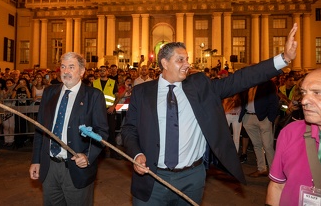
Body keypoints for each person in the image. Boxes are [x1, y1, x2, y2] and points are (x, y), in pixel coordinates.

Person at [121, 23, 298, 205]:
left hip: (191, 179)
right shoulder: (142, 92)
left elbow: (241, 78)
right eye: (180, 60)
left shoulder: (200, 86)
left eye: (187, 59)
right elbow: (129, 129)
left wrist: (283, 58)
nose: (187, 64)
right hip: (152, 177)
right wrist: (136, 154)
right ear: (164, 63)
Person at [29, 52, 109, 206]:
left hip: (76, 168)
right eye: (63, 67)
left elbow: (102, 132)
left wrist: (87, 156)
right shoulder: (49, 92)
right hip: (49, 167)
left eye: (71, 67)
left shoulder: (93, 96)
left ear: (82, 71)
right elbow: (40, 128)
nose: (66, 71)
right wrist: (36, 160)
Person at [266, 68, 321, 206]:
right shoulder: (290, 133)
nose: (304, 101)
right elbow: (277, 186)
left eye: (317, 93)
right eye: (304, 93)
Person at [239, 79, 278, 177]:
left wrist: (270, 118)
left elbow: (274, 101)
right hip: (248, 117)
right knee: (256, 144)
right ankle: (261, 169)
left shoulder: (268, 84)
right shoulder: (247, 83)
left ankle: (274, 172)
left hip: (263, 118)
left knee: (267, 145)